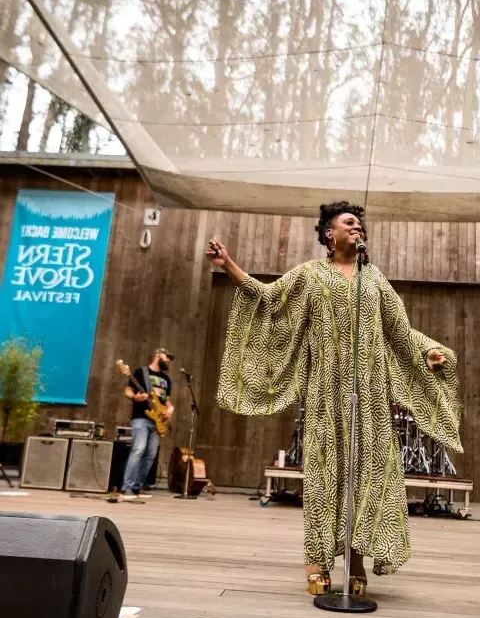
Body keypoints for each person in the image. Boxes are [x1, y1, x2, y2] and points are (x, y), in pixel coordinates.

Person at [206, 201, 461, 595]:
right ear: (329, 234)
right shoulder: (310, 276)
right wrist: (228, 265)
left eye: (360, 223)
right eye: (349, 222)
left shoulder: (374, 279)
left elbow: (400, 331)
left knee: (367, 479)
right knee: (326, 478)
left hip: (372, 400)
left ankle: (355, 560)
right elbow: (268, 298)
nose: (358, 227)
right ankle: (317, 561)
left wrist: (425, 352)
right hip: (327, 395)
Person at [121, 348, 175, 500]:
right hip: (141, 418)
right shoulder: (140, 372)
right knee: (138, 450)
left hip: (157, 421)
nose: (169, 360)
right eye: (167, 357)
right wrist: (135, 397)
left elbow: (167, 401)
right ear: (158, 355)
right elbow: (128, 391)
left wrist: (170, 409)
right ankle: (127, 488)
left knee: (150, 455)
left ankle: (138, 486)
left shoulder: (167, 379)